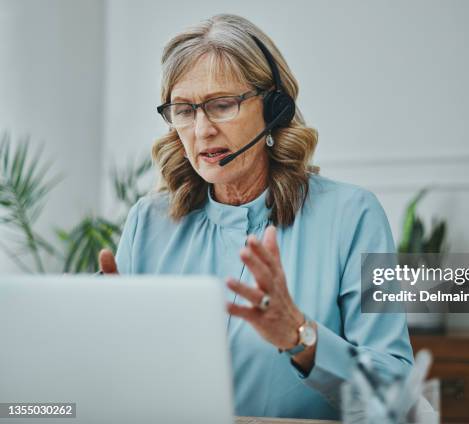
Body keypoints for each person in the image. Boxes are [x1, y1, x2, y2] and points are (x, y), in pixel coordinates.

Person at [98, 13, 413, 420]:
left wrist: (302, 338)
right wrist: (102, 340)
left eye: (222, 105)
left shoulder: (353, 217)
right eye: (184, 110)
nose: (201, 130)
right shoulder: (148, 222)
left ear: (274, 109)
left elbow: (393, 394)